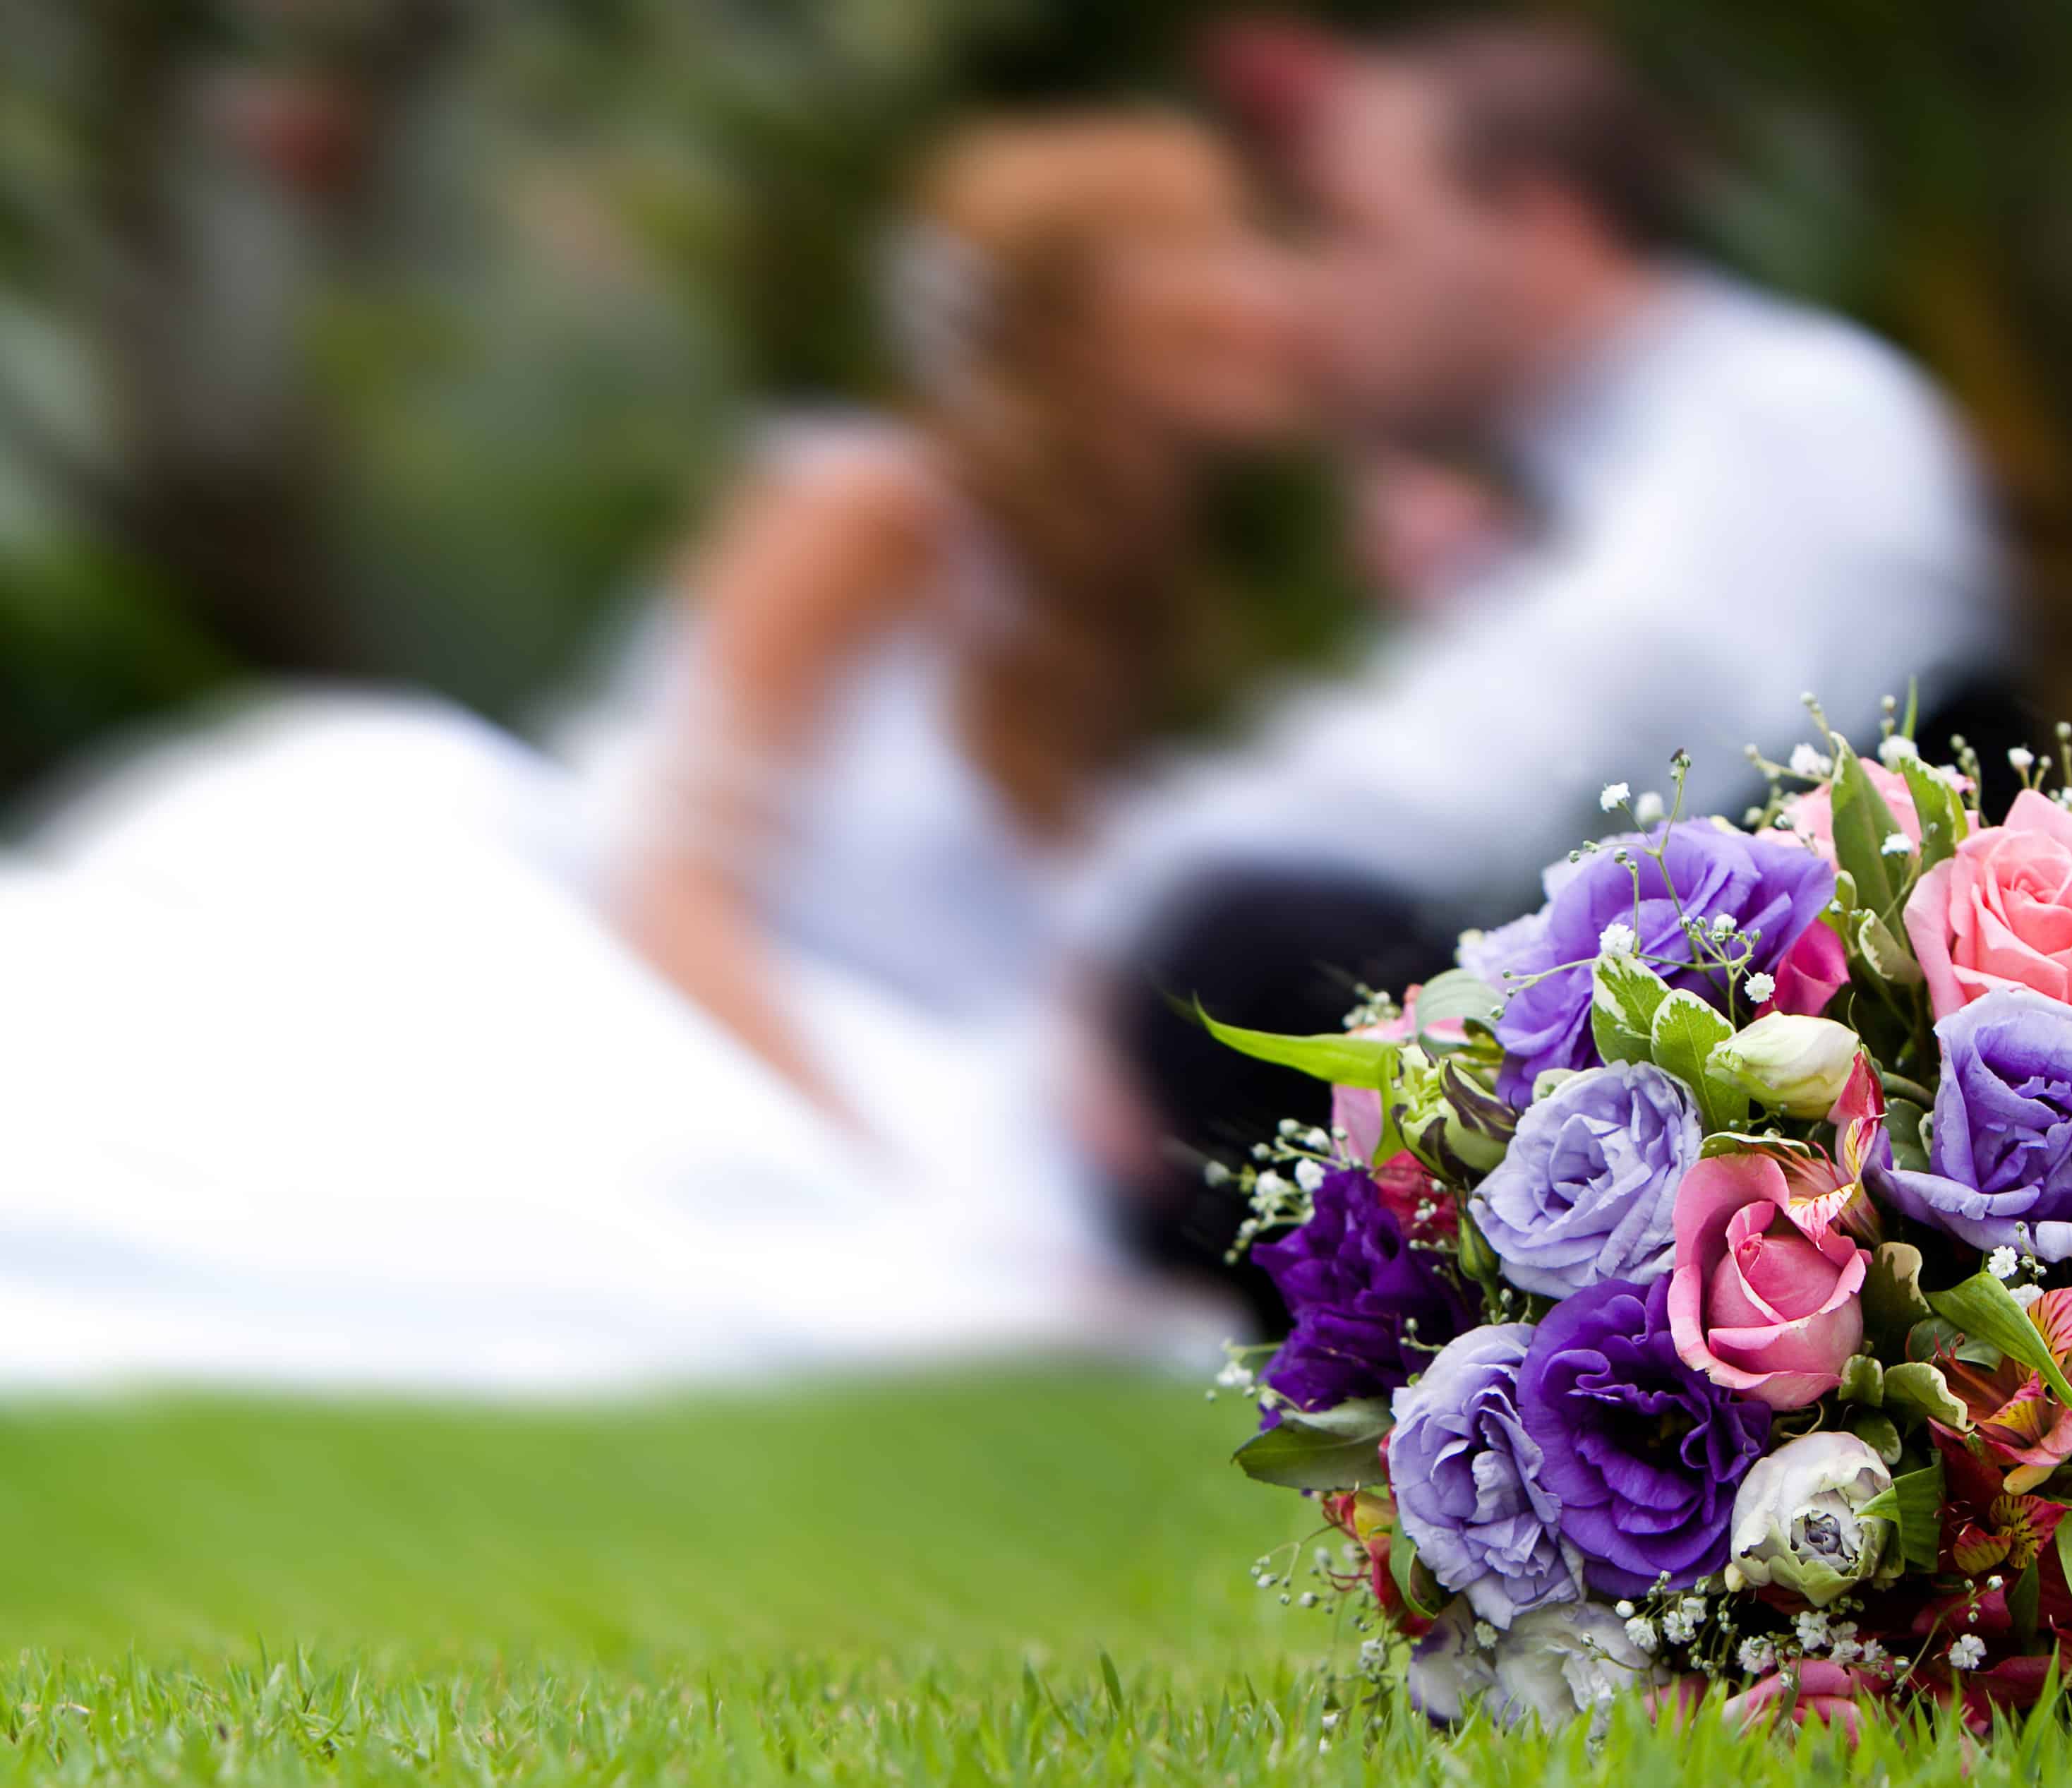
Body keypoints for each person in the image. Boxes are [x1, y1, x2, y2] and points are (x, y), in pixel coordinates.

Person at [0, 114, 1309, 1392]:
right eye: (1219, 245)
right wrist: (868, 1170)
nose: (1273, 288)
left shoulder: (1109, 593)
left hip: (931, 1056)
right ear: (1090, 314)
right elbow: (677, 874)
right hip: (638, 951)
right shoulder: (870, 509)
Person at [1085, 23, 2024, 1261]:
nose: (1323, 291)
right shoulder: (1649, 442)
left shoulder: (1781, 413)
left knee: (1240, 960)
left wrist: (1116, 907)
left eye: (1358, 230)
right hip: (1725, 1054)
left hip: (1817, 1113)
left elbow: (1522, 763)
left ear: (1534, 223)